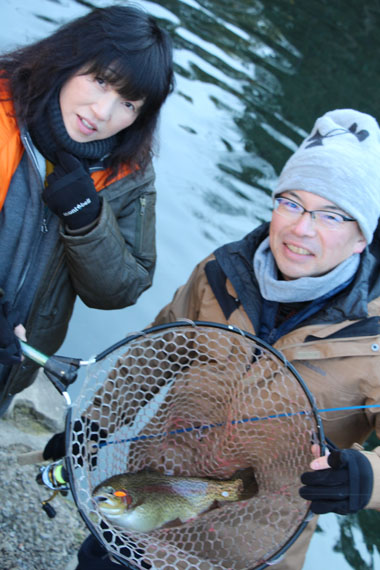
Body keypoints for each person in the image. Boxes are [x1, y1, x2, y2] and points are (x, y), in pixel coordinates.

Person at [44, 108, 380, 569]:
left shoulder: (374, 337)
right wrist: (94, 424)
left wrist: (367, 478)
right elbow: (153, 353)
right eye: (292, 203)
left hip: (246, 550)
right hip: (150, 501)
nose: (302, 228)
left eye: (332, 215)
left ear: (362, 237)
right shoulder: (221, 271)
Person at [0, 4, 174, 415]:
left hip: (13, 365)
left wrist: (87, 219)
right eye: (100, 80)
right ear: (67, 58)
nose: (102, 113)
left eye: (128, 104)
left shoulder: (130, 175)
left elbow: (122, 289)